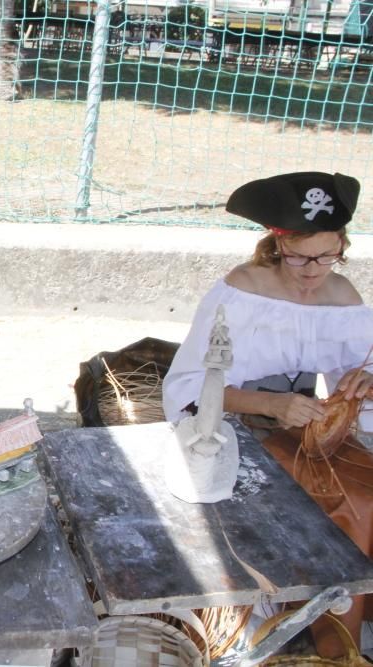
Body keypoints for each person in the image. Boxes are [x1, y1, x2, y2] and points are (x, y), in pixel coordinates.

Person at [163, 171, 373, 658]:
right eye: (298, 256)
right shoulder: (241, 291)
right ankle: (318, 646)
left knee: (362, 497)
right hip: (231, 430)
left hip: (306, 430)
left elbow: (359, 374)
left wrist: (362, 386)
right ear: (276, 243)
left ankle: (337, 641)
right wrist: (271, 404)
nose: (311, 269)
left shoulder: (342, 297)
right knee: (348, 506)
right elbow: (188, 388)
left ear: (342, 244)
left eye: (326, 255)